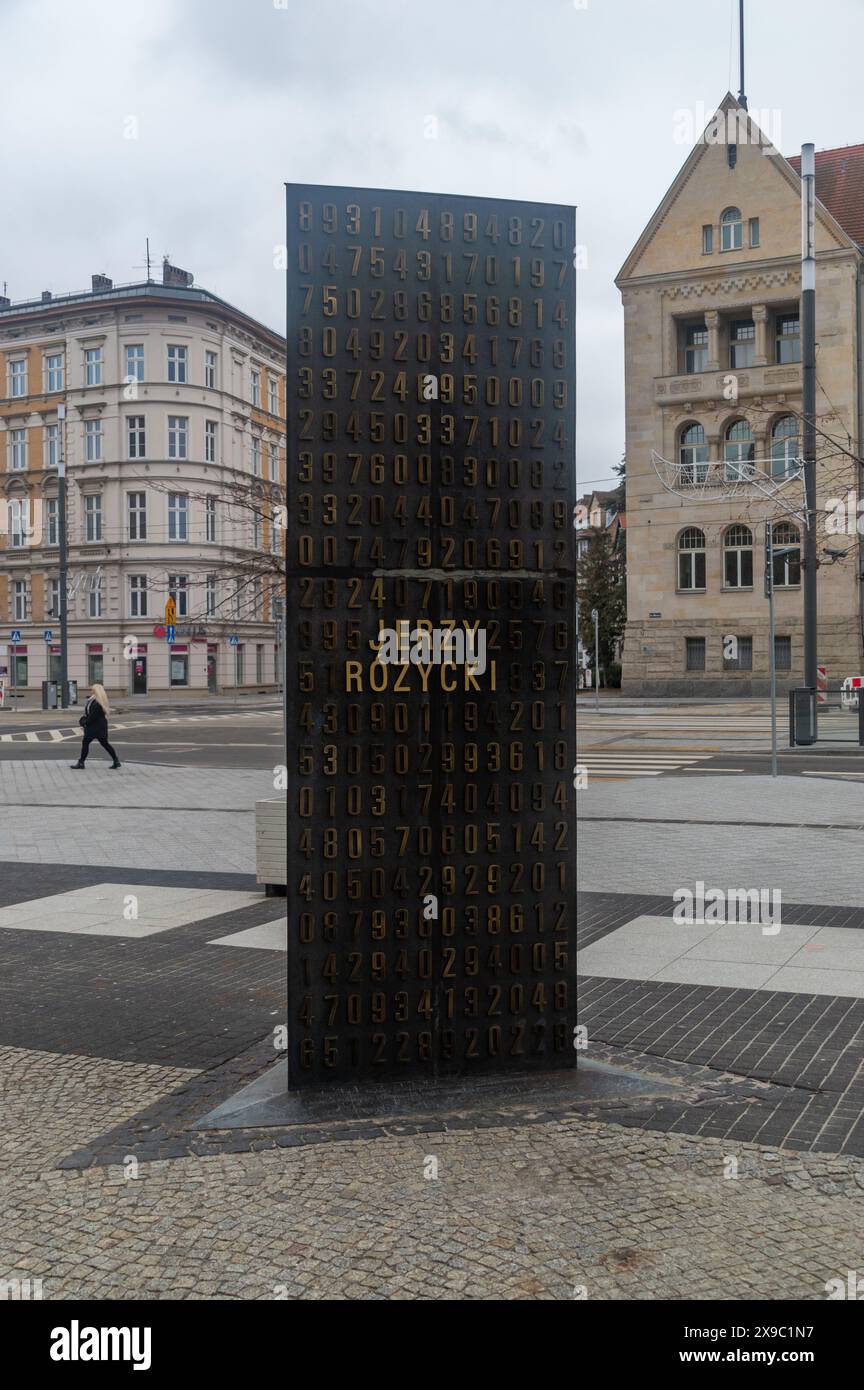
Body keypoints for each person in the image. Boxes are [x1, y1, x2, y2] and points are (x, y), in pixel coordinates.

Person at [70, 683, 121, 769]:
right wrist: (85, 719)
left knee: (86, 743)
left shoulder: (97, 702)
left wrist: (85, 722)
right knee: (104, 743)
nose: (91, 691)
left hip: (94, 727)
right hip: (99, 726)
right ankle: (116, 761)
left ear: (96, 691)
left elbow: (93, 716)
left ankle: (81, 763)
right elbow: (90, 714)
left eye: (92, 689)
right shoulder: (95, 700)